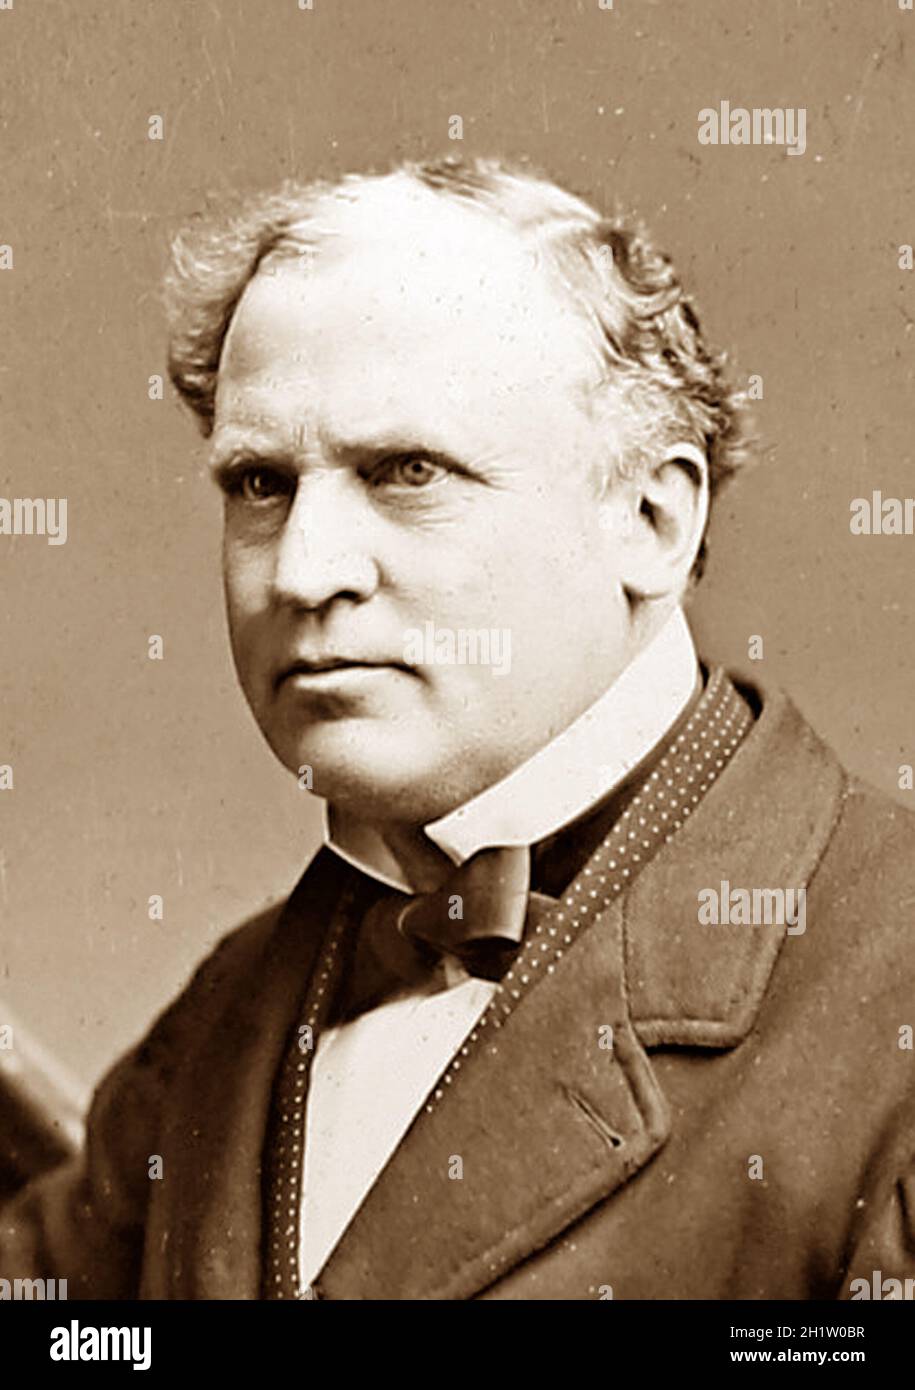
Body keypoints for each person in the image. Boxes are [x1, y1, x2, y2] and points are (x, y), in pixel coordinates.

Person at [2, 156, 913, 1300]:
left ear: (651, 518)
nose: (303, 570)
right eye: (261, 483)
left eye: (407, 472)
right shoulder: (227, 1014)